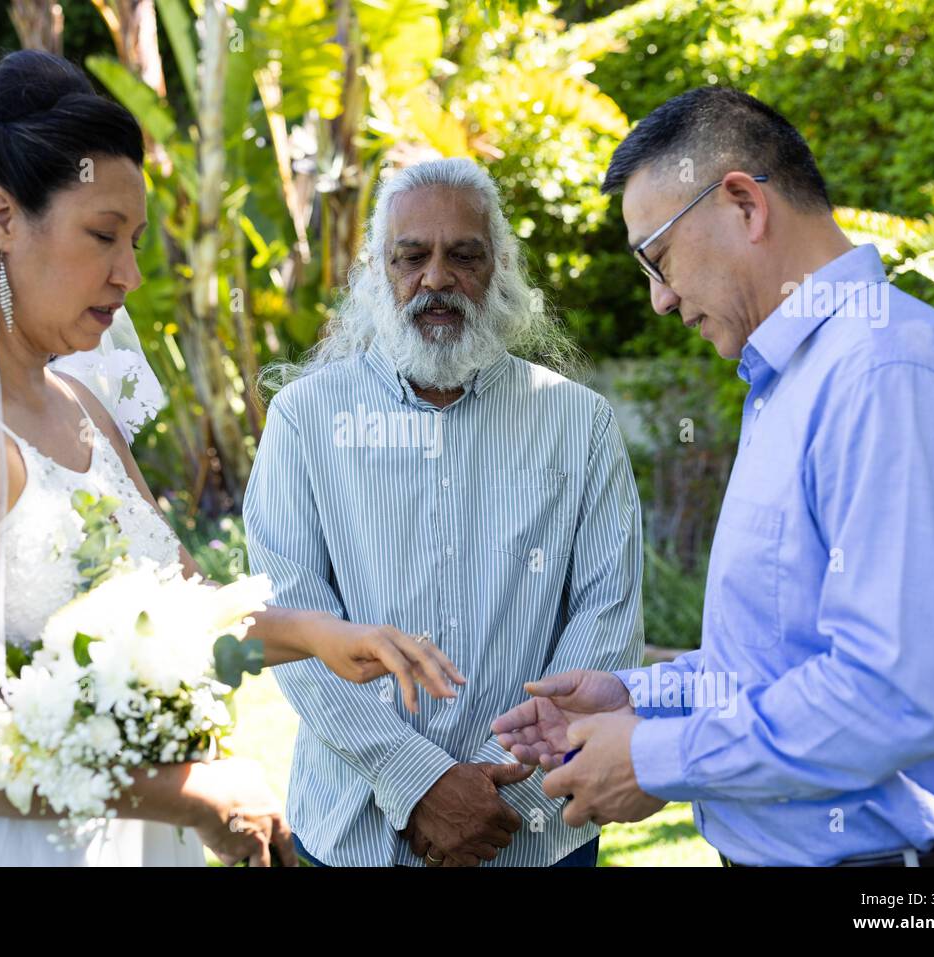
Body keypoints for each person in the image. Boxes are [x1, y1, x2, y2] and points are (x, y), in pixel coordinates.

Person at [0, 50, 460, 868]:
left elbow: (187, 605)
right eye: (103, 236)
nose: (130, 274)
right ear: (2, 219)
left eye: (137, 240)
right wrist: (193, 791)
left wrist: (325, 633)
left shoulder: (82, 408)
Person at [494, 86, 934, 867]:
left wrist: (658, 758)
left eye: (657, 256)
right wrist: (642, 700)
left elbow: (899, 693)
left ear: (744, 203)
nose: (659, 298)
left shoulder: (891, 375)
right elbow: (778, 661)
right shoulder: (794, 384)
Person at [244, 157, 645, 866]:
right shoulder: (305, 420)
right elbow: (293, 625)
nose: (436, 278)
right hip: (354, 832)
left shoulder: (578, 423)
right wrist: (420, 782)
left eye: (464, 255)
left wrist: (496, 795)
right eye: (411, 256)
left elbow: (605, 623)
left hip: (535, 831)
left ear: (500, 269)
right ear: (377, 270)